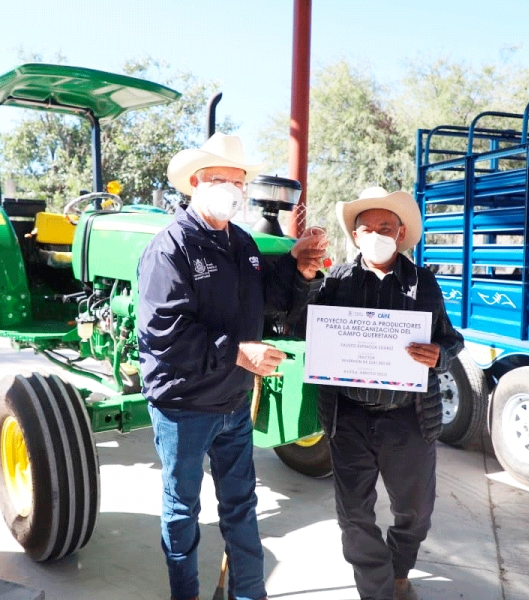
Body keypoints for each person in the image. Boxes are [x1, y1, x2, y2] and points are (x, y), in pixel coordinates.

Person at [136, 132, 326, 600]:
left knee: (241, 506)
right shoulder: (170, 249)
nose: (233, 189)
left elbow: (272, 300)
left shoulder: (242, 244)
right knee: (182, 510)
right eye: (220, 179)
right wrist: (241, 353)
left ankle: (250, 594)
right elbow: (164, 334)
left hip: (234, 402)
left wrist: (301, 269)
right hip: (183, 406)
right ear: (195, 183)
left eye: (239, 181)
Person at [311, 186, 464, 600]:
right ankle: (377, 590)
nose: (376, 234)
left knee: (416, 511)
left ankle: (399, 569)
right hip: (349, 417)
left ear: (400, 233)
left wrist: (439, 354)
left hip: (408, 417)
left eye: (386, 227)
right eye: (367, 228)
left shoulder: (423, 282)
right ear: (355, 236)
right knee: (353, 516)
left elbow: (451, 338)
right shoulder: (336, 282)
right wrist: (303, 277)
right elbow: (303, 325)